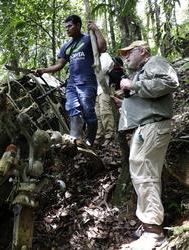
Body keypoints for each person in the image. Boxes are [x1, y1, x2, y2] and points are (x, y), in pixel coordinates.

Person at [118, 40, 179, 250]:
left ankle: (153, 232)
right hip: (146, 128)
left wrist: (133, 85)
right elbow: (148, 95)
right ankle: (149, 225)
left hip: (153, 126)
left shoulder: (154, 61)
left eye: (129, 53)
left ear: (142, 51)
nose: (126, 57)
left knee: (144, 170)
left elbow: (170, 82)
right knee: (143, 171)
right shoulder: (143, 71)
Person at [35, 15, 107, 146]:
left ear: (78, 25)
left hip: (87, 82)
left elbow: (102, 48)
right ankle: (76, 140)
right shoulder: (66, 46)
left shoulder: (88, 39)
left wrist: (96, 29)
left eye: (70, 26)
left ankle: (90, 140)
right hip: (72, 84)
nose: (67, 29)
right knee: (72, 110)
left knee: (88, 112)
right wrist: (43, 70)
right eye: (66, 27)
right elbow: (59, 65)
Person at [95, 53, 125, 146]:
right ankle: (98, 136)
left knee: (105, 112)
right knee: (97, 114)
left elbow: (103, 69)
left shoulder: (104, 56)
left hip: (106, 89)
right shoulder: (91, 58)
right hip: (96, 90)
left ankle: (110, 135)